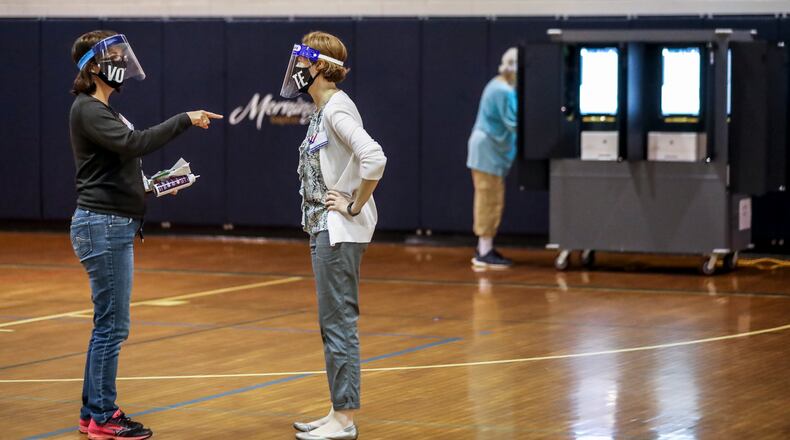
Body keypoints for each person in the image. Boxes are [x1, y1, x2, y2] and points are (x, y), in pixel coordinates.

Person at [68, 30, 222, 440]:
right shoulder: (88, 109)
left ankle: (92, 412)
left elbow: (116, 167)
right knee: (113, 327)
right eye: (113, 56)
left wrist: (156, 184)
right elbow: (134, 144)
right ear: (93, 67)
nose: (121, 61)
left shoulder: (101, 110)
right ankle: (102, 416)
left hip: (109, 222)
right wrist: (184, 120)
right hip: (103, 225)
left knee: (107, 324)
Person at [280, 31, 387, 440]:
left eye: (302, 63)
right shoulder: (325, 108)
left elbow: (374, 157)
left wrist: (354, 204)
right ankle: (337, 411)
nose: (297, 71)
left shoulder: (337, 110)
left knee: (339, 323)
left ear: (319, 67)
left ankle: (344, 420)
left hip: (338, 231)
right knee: (332, 324)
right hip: (325, 230)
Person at [467, 47, 518, 269]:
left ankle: (485, 246)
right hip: (487, 150)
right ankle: (484, 251)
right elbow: (513, 122)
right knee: (488, 199)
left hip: (493, 150)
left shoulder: (502, 85)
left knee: (493, 199)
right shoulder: (502, 90)